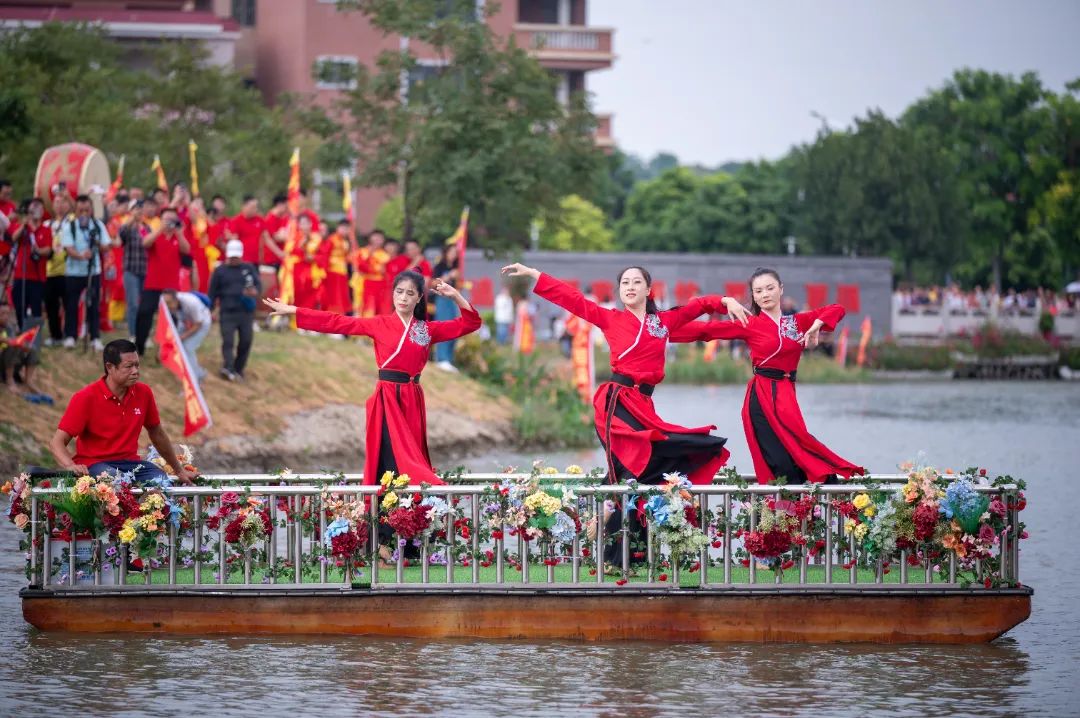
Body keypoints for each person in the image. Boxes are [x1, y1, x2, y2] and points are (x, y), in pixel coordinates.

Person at [504, 262, 743, 486]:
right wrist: (535, 274)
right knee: (637, 461)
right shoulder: (611, 319)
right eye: (625, 283)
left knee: (651, 461)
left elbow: (698, 308)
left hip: (644, 405)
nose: (630, 287)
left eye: (636, 282)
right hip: (617, 403)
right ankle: (608, 515)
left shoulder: (663, 322)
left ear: (648, 289)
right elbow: (574, 300)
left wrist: (725, 301)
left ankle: (609, 520)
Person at [263, 271, 481, 486]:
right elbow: (337, 322)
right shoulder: (378, 324)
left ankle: (411, 511)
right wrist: (293, 310)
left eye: (410, 293)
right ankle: (387, 514)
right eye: (399, 292)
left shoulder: (427, 329)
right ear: (393, 294)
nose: (403, 298)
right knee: (391, 458)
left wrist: (456, 297)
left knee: (413, 455)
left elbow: (471, 323)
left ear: (419, 298)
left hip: (412, 399)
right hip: (387, 398)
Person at [670, 267, 864, 485]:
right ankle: (782, 514)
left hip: (786, 395)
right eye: (759, 291)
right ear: (753, 296)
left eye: (770, 288)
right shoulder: (749, 323)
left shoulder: (797, 322)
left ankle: (805, 512)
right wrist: (664, 329)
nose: (765, 294)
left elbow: (837, 308)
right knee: (779, 462)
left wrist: (818, 324)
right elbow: (705, 331)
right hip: (762, 396)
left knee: (802, 451)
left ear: (781, 289)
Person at [48, 339, 195, 485]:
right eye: (129, 366)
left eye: (137, 365)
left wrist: (179, 470)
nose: (135, 371)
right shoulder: (85, 397)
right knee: (116, 480)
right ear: (110, 367)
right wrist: (70, 465)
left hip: (131, 464)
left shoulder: (144, 392)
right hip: (95, 464)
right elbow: (57, 442)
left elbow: (157, 434)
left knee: (162, 482)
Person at [135, 207, 190, 356]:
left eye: (172, 220)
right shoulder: (155, 234)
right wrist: (160, 230)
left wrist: (178, 233)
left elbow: (187, 250)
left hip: (171, 287)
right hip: (152, 284)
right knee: (144, 313)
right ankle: (139, 347)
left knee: (171, 319)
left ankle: (168, 350)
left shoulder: (178, 237)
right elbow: (145, 243)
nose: (169, 223)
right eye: (166, 219)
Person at [60, 195, 112, 351]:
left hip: (93, 271)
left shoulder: (97, 225)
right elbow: (68, 248)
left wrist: (97, 244)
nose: (84, 213)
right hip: (73, 272)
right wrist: (81, 255)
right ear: (76, 210)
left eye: (87, 210)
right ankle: (70, 336)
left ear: (91, 210)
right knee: (71, 305)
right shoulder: (70, 226)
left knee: (93, 304)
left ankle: (95, 337)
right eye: (80, 210)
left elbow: (106, 245)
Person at [209, 239, 260, 381]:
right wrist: (210, 308)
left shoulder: (248, 268)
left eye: (236, 257)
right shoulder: (220, 271)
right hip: (227, 311)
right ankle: (228, 367)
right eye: (231, 257)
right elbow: (212, 292)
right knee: (228, 341)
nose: (234, 259)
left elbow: (258, 286)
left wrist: (254, 292)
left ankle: (239, 369)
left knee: (246, 341)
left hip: (246, 312)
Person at [7, 198, 53, 330]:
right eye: (34, 207)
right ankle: (22, 330)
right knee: (19, 304)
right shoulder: (23, 226)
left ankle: (35, 334)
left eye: (39, 207)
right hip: (21, 275)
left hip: (37, 276)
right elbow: (14, 238)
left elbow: (48, 249)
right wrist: (24, 225)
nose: (36, 210)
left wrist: (38, 250)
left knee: (36, 307)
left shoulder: (46, 229)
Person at [118, 198, 155, 339]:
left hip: (145, 271)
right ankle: (133, 334)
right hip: (131, 270)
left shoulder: (147, 228)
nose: (139, 211)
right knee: (133, 303)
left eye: (141, 208)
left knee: (145, 306)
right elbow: (121, 236)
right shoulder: (127, 227)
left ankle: (143, 334)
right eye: (136, 208)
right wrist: (132, 219)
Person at [43, 191, 72, 346]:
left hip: (67, 270)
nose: (60, 206)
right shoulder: (47, 224)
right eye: (57, 202)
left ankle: (69, 335)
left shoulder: (72, 222)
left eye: (63, 202)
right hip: (49, 271)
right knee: (51, 305)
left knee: (68, 305)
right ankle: (55, 336)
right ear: (52, 205)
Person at [163, 290, 212, 381]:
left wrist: (183, 336)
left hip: (202, 323)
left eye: (169, 303)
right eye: (166, 303)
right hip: (187, 321)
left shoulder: (191, 303)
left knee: (187, 347)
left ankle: (196, 378)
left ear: (176, 299)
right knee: (179, 345)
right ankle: (198, 373)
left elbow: (198, 324)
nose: (168, 306)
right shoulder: (171, 305)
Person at [431, 242, 461, 370]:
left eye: (455, 252)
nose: (453, 255)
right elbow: (434, 283)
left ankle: (448, 358)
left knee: (454, 328)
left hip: (452, 300)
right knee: (443, 327)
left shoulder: (456, 267)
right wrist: (449, 276)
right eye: (451, 252)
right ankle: (441, 358)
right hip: (442, 299)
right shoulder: (440, 266)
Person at [0, 302, 41, 394]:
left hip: (9, 360)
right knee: (11, 346)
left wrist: (23, 346)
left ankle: (29, 381)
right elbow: (9, 342)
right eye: (2, 313)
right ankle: (9, 380)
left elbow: (15, 341)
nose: (6, 316)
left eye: (7, 313)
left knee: (31, 349)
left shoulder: (9, 328)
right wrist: (7, 341)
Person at [316, 220, 353, 315]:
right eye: (343, 228)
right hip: (332, 271)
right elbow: (325, 254)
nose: (345, 230)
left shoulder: (346, 241)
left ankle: (340, 315)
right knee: (334, 295)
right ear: (338, 228)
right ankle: (333, 315)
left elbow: (347, 256)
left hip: (342, 271)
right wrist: (323, 270)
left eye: (347, 228)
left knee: (341, 295)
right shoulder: (332, 239)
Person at [352, 229, 390, 316]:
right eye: (375, 237)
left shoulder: (385, 255)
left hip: (378, 283)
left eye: (380, 238)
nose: (377, 240)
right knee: (362, 306)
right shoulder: (362, 251)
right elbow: (358, 267)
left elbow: (383, 271)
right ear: (370, 238)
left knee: (376, 307)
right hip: (362, 282)